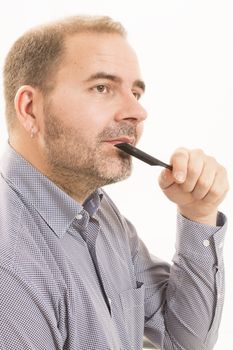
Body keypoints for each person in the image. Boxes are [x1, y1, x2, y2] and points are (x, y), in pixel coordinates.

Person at [0, 15, 229, 350]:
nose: (137, 110)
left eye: (135, 91)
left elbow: (183, 341)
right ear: (30, 108)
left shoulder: (97, 212)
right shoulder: (11, 267)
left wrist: (198, 212)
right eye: (102, 88)